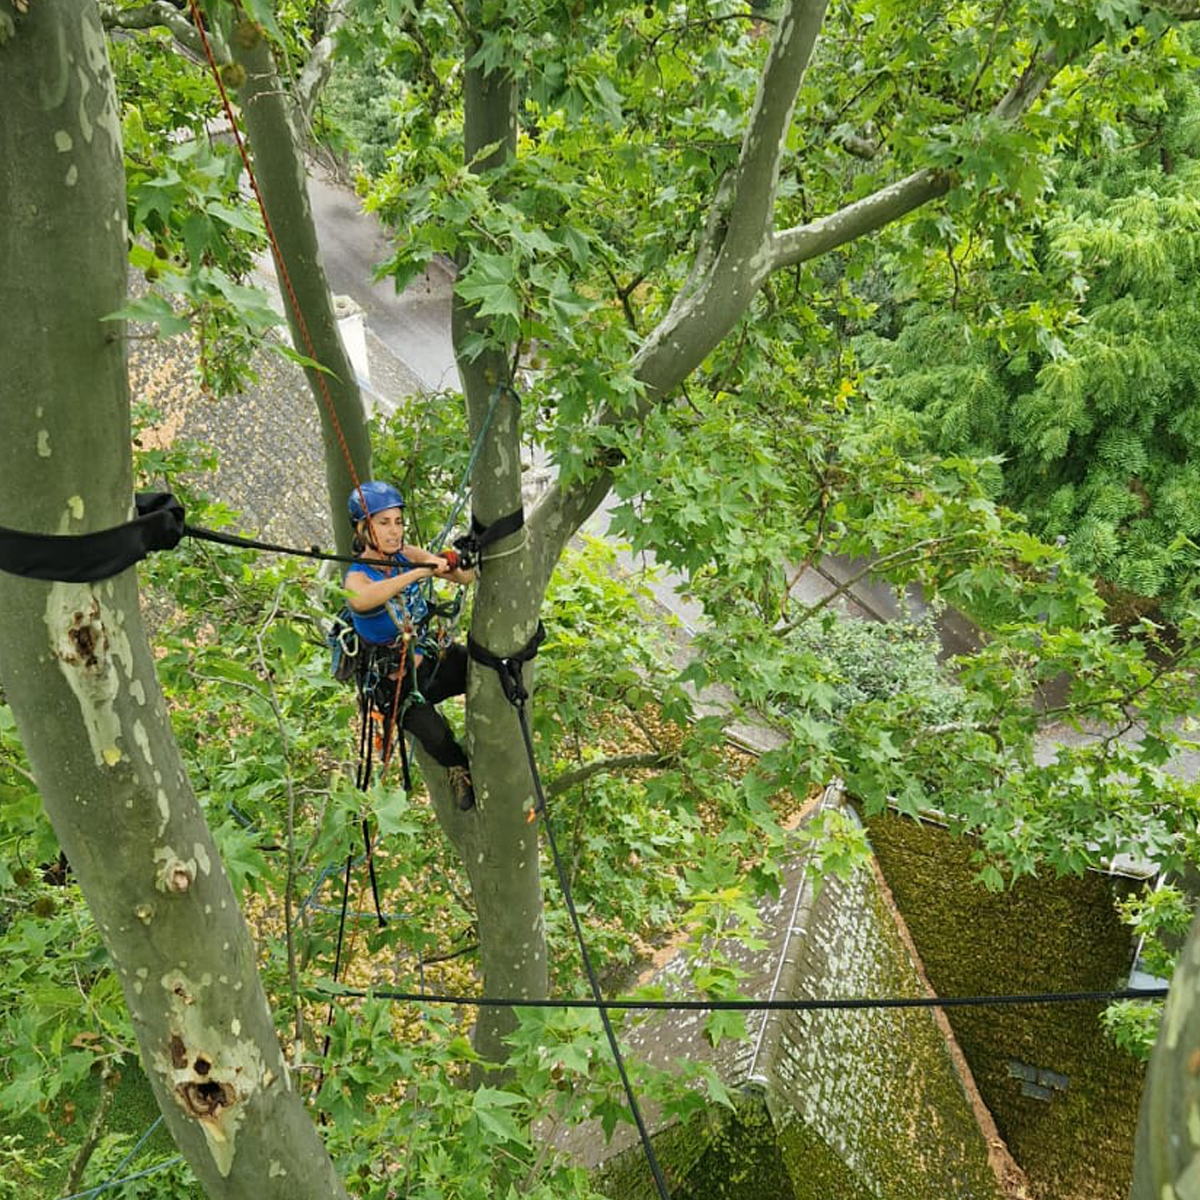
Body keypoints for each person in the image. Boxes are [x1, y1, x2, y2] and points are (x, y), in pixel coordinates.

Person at [343, 481, 477, 811]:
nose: (394, 531)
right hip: (398, 688)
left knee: (482, 667)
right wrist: (415, 573)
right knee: (438, 739)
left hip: (430, 663)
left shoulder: (408, 555)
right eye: (383, 523)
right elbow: (362, 600)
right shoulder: (357, 577)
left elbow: (463, 579)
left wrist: (460, 560)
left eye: (398, 522)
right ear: (363, 529)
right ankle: (459, 769)